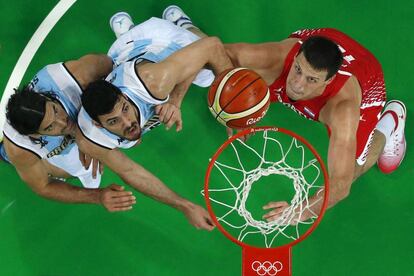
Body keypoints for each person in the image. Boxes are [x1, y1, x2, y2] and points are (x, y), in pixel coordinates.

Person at [164, 6, 407, 223]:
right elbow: (210, 49)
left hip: (367, 78)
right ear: (297, 55)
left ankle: (391, 121)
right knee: (217, 69)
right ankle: (186, 28)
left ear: (328, 80)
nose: (297, 84)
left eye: (311, 80)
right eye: (298, 70)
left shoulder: (342, 109)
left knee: (355, 168)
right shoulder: (279, 58)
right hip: (321, 39)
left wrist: (301, 210)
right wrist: (181, 99)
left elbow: (341, 185)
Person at [74, 11, 233, 230]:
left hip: (161, 40)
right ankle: (126, 31)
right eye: (113, 122)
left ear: (124, 97)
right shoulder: (90, 136)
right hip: (122, 52)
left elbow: (211, 45)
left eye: (125, 109)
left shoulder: (153, 82)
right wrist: (184, 205)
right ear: (98, 125)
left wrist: (176, 101)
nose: (127, 122)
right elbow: (129, 172)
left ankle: (182, 24)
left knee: (208, 77)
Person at [2, 54, 137, 212]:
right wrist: (98, 196)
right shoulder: (19, 147)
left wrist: (87, 137)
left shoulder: (74, 76)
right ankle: (5, 154)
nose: (63, 121)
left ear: (48, 97)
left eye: (55, 110)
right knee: (79, 169)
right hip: (44, 152)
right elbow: (43, 186)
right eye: (50, 127)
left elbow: (113, 64)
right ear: (35, 135)